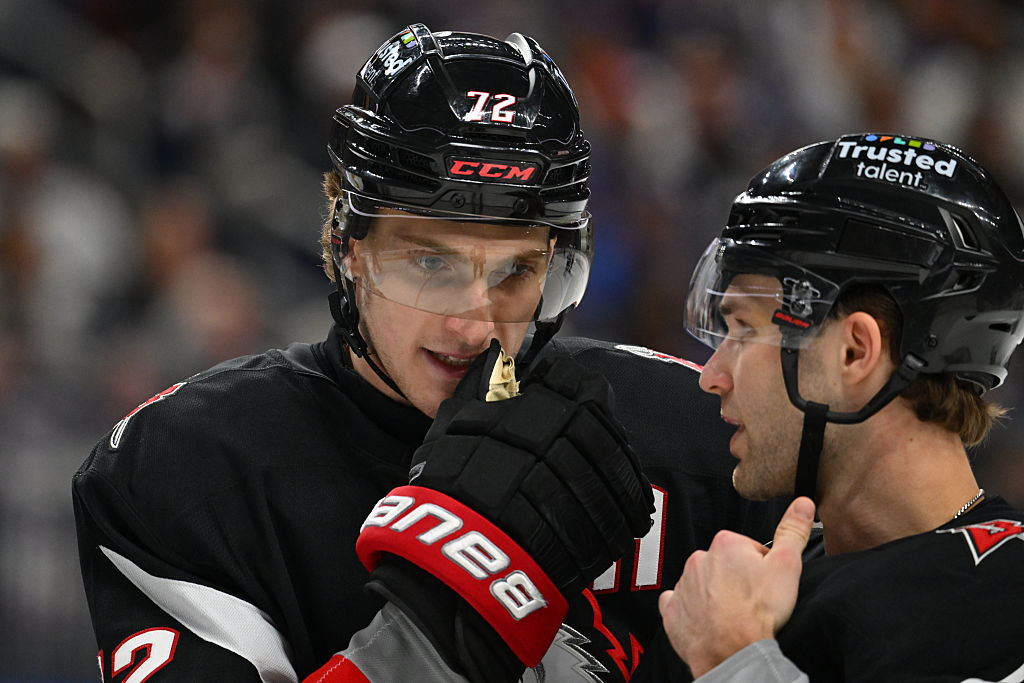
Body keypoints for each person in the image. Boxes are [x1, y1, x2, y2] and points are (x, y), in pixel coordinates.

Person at [73, 24, 780, 683]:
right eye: (430, 265)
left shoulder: (703, 435)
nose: (473, 326)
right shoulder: (181, 468)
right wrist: (448, 620)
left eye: (514, 272)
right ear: (347, 250)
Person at [658, 132, 1024, 681]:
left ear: (855, 352)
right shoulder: (757, 585)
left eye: (744, 331)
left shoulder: (1006, 606)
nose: (711, 377)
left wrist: (732, 660)